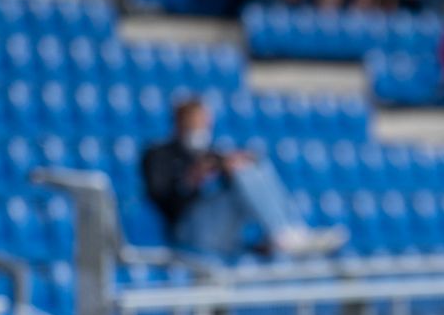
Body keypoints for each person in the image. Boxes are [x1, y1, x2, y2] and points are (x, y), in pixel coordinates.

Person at [140, 98, 346, 259]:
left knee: (253, 166)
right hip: (187, 230)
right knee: (243, 171)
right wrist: (190, 181)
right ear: (179, 122)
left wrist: (228, 167)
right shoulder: (158, 154)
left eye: (204, 123)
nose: (200, 129)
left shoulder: (211, 153)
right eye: (194, 123)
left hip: (222, 231)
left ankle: (289, 230)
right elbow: (158, 196)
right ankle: (281, 234)